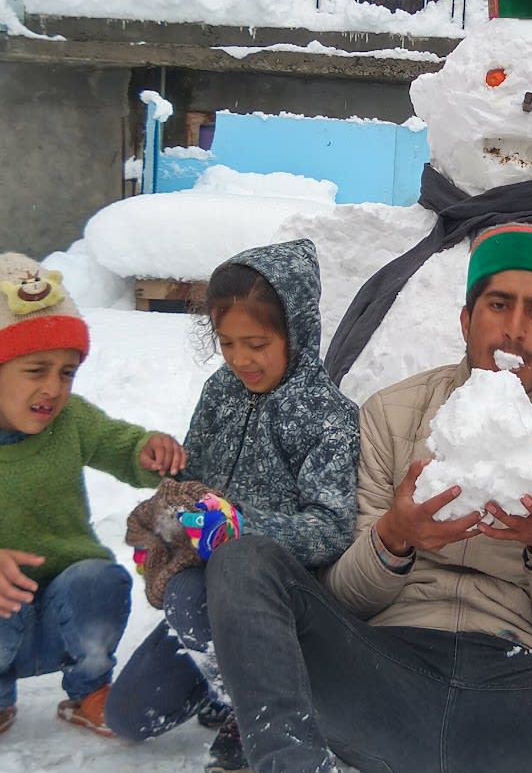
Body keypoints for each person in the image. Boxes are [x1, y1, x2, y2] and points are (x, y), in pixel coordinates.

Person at [205, 223, 532, 773]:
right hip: (382, 678)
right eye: (498, 305)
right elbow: (347, 597)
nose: (514, 330)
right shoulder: (391, 413)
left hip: (518, 696)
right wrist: (394, 537)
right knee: (244, 559)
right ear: (466, 319)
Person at [0, 253, 188, 755]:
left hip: (71, 599)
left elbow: (115, 442)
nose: (54, 388)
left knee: (101, 578)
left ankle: (88, 687)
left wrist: (145, 449)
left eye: (67, 372)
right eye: (35, 370)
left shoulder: (70, 421)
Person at [104, 240, 359, 771]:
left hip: (279, 609)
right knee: (128, 716)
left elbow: (332, 528)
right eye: (227, 343)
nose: (240, 359)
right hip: (204, 599)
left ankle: (261, 706)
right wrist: (170, 511)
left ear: (297, 332)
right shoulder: (220, 392)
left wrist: (242, 528)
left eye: (257, 344)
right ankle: (222, 685)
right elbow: (197, 487)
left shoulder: (327, 415)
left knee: (191, 594)